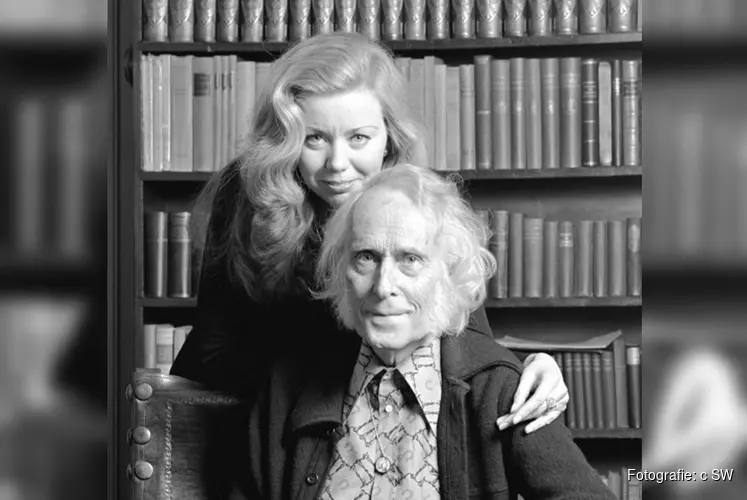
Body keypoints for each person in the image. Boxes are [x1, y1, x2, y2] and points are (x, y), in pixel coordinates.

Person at [171, 31, 568, 433]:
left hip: (384, 421)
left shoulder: (422, 200)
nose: (337, 163)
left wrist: (526, 370)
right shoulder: (247, 192)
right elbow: (212, 354)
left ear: (389, 139)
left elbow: (467, 341)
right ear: (286, 140)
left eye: (358, 137)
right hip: (263, 426)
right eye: (314, 138)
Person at [244, 164, 615, 500]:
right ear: (342, 269)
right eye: (366, 257)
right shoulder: (286, 386)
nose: (383, 286)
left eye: (410, 259)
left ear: (448, 273)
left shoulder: (499, 389)